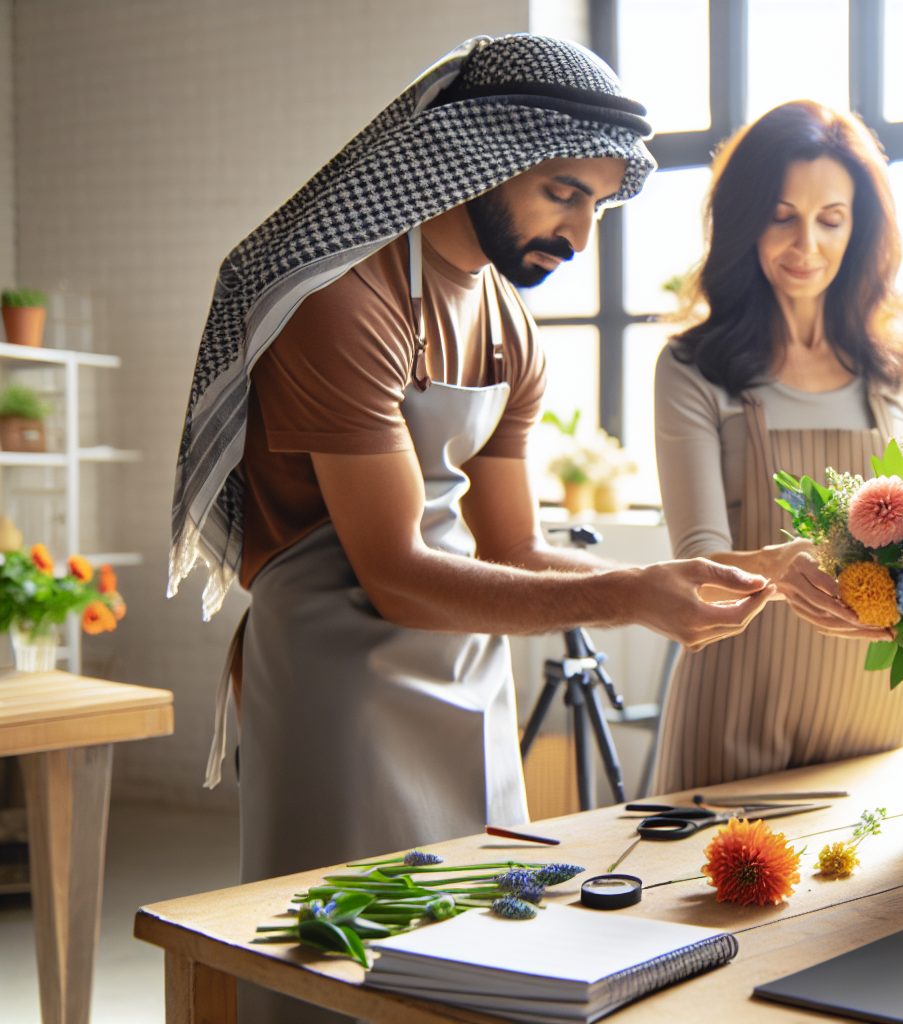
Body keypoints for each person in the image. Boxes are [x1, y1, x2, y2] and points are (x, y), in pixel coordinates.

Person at [168, 35, 777, 1021]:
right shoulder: (345, 301)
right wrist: (627, 594)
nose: (580, 233)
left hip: (470, 669)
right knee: (344, 962)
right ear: (479, 158)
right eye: (561, 192)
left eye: (597, 205)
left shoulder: (509, 324)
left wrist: (722, 575)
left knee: (486, 952)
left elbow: (505, 551)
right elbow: (396, 573)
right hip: (341, 680)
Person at [651, 100, 903, 792]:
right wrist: (778, 567)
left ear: (858, 228)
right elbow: (697, 563)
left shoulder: (901, 369)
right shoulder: (694, 367)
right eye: (782, 216)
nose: (806, 246)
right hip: (732, 706)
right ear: (746, 219)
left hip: (872, 710)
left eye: (830, 219)